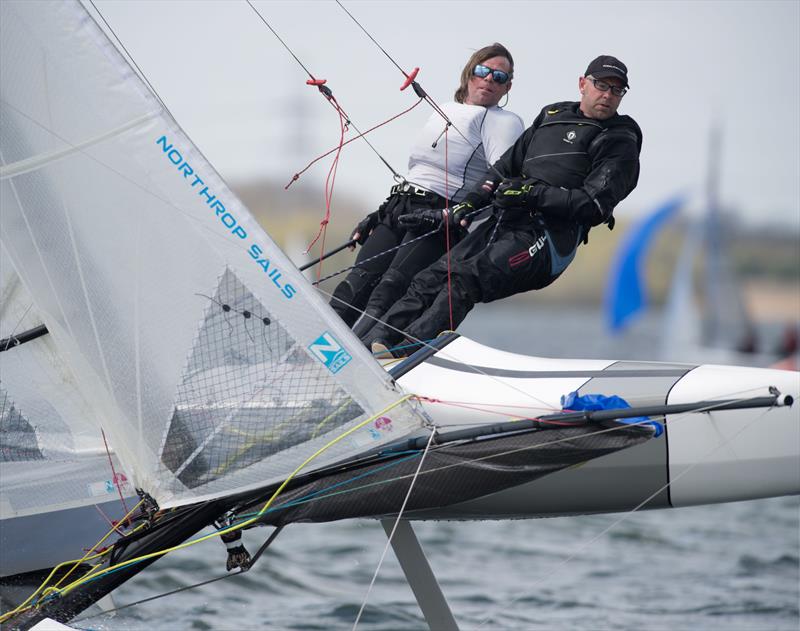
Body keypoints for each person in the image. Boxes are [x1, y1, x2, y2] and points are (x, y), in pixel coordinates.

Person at [364, 55, 643, 357]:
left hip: (548, 241)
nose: (607, 95)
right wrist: (466, 206)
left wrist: (530, 193)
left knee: (464, 280)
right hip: (506, 223)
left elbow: (593, 206)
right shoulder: (552, 114)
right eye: (601, 85)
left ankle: (405, 354)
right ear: (582, 84)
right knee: (431, 276)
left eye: (617, 90)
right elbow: (503, 168)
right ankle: (375, 345)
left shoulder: (620, 140)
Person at [329, 43, 524, 332]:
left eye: (499, 77)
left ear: (507, 87)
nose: (489, 80)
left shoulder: (503, 121)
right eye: (484, 71)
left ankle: (356, 359)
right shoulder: (444, 109)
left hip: (438, 218)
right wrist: (379, 212)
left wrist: (458, 215)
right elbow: (418, 172)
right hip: (400, 207)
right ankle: (305, 356)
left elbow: (502, 184)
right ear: (470, 73)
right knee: (353, 287)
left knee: (389, 289)